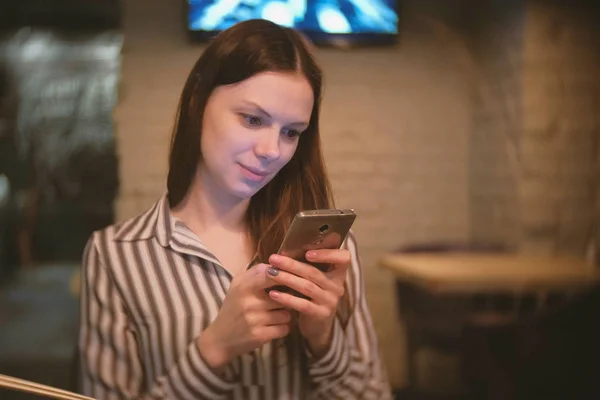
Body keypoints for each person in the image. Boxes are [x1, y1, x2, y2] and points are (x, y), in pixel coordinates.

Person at [78, 19, 392, 400]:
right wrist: (213, 351)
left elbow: (370, 393)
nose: (272, 150)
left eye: (291, 131)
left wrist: (323, 338)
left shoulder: (325, 250)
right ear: (198, 101)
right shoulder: (117, 256)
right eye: (253, 119)